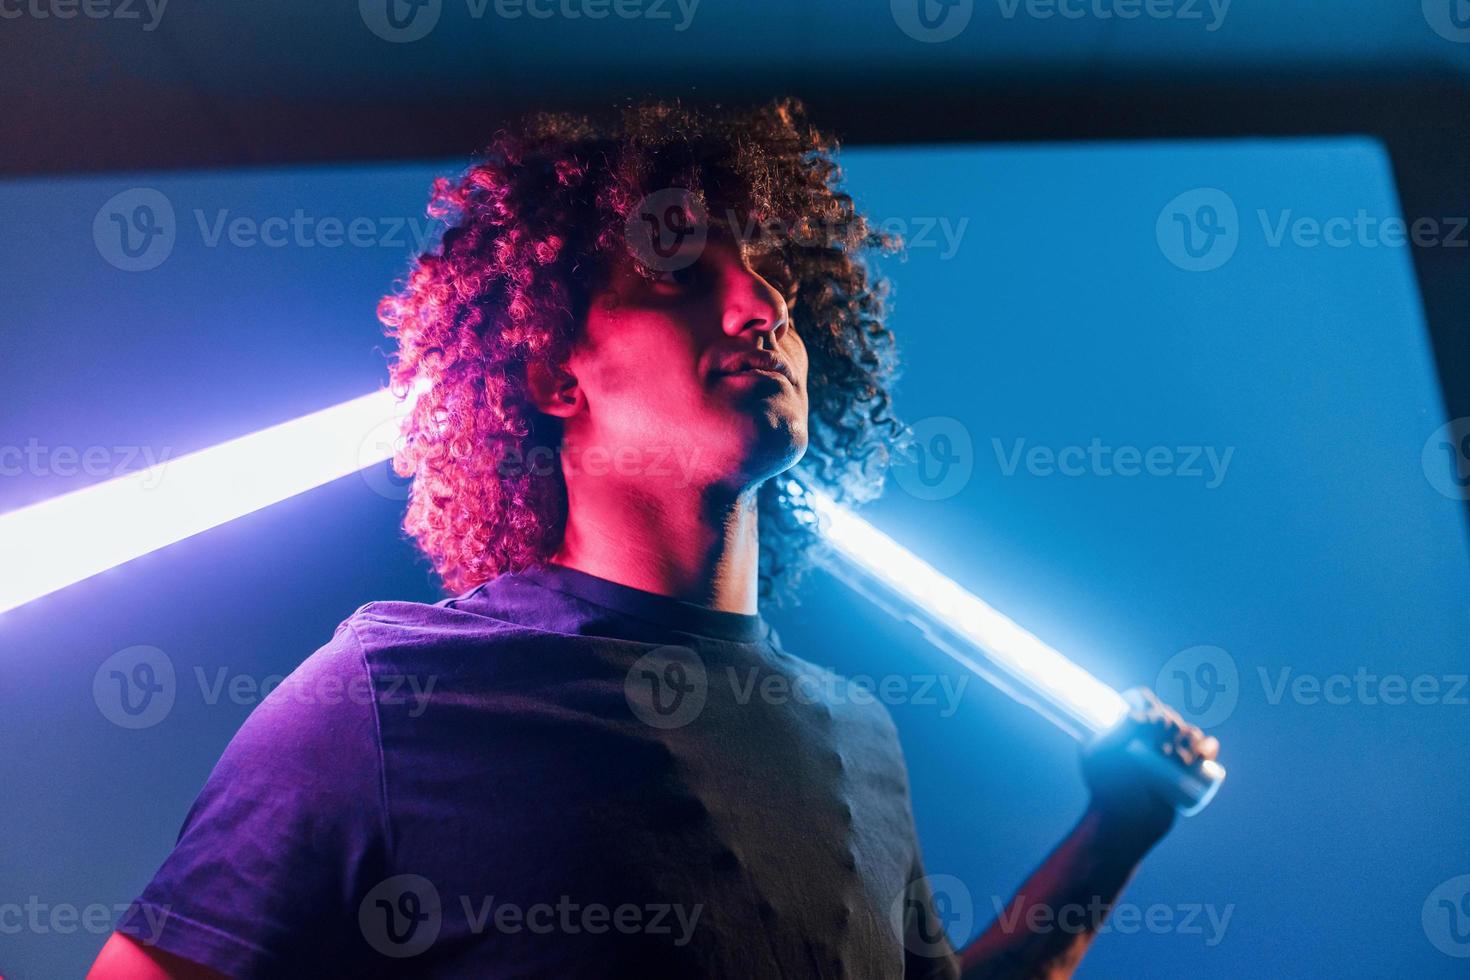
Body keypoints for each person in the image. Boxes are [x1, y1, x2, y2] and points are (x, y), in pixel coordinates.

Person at [89, 99, 1218, 979]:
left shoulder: (858, 733)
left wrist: (1120, 829)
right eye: (676, 265)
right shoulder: (385, 699)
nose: (756, 301)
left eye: (765, 268)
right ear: (550, 369)